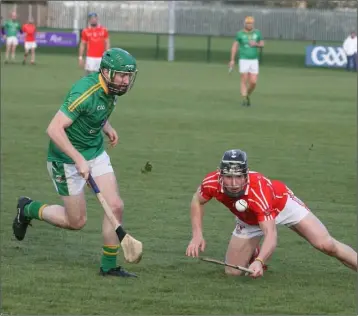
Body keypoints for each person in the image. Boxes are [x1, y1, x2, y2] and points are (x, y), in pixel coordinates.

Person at [12, 48, 139, 277]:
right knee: (76, 221)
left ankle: (108, 267)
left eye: (129, 76)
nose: (126, 81)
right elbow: (54, 128)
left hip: (94, 151)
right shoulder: (85, 91)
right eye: (121, 75)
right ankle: (28, 208)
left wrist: (107, 127)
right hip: (65, 159)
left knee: (116, 205)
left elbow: (96, 114)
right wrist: (78, 159)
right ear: (107, 72)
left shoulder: (112, 91)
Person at [186, 149, 357, 278]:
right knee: (232, 272)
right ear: (220, 175)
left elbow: (271, 233)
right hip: (249, 218)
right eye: (228, 177)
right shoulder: (211, 182)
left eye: (238, 177)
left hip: (282, 205)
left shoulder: (259, 190)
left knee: (326, 245)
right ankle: (254, 250)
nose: (233, 183)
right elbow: (197, 201)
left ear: (246, 175)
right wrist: (197, 235)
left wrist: (260, 262)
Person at [229, 16, 264, 107]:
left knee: (253, 82)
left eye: (251, 23)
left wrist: (256, 44)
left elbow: (262, 44)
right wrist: (232, 60)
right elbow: (234, 46)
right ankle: (244, 99)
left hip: (254, 60)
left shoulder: (257, 33)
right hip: (243, 59)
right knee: (244, 79)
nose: (249, 25)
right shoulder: (240, 34)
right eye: (248, 23)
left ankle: (247, 94)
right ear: (245, 24)